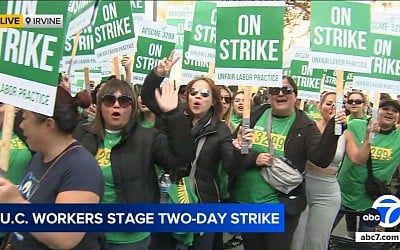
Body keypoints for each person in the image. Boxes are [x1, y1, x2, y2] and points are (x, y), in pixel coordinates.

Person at [141, 51, 251, 250]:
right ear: (187, 97)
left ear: (213, 101)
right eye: (193, 93)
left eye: (204, 94)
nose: (198, 97)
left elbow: (232, 167)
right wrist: (158, 74)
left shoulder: (221, 130)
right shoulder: (174, 114)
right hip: (167, 201)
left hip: (202, 205)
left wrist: (239, 148)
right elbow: (148, 97)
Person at [74, 78, 195, 250]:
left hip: (129, 237)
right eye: (109, 100)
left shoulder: (148, 138)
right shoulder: (81, 134)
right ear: (100, 105)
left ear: (132, 107)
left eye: (124, 101)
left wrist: (173, 114)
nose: (116, 105)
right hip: (86, 233)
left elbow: (182, 157)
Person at [230, 76, 346, 250]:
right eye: (275, 91)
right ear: (269, 96)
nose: (280, 94)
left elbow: (321, 159)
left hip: (278, 208)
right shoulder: (257, 113)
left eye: (287, 90)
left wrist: (333, 130)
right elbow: (236, 150)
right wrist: (248, 153)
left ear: (296, 95)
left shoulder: (305, 125)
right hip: (247, 203)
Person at [0, 86, 104, 250]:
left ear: (48, 124)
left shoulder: (82, 168)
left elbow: (64, 236)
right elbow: (38, 196)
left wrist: (16, 202)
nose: (21, 126)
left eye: (25, 118)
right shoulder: (39, 158)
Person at [334, 97, 400, 249]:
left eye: (395, 111)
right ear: (376, 111)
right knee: (321, 238)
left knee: (365, 246)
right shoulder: (356, 125)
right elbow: (357, 159)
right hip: (342, 195)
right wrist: (368, 137)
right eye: (385, 109)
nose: (390, 113)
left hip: (372, 202)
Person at [291, 92, 346, 250]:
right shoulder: (307, 126)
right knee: (295, 241)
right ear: (319, 105)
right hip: (301, 189)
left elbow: (357, 159)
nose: (333, 107)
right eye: (329, 103)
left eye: (338, 104)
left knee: (316, 243)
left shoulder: (346, 132)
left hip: (327, 194)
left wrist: (370, 136)